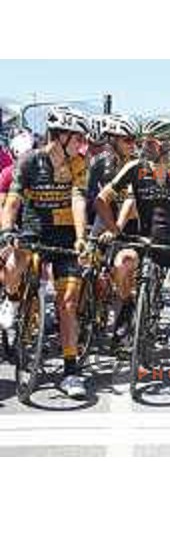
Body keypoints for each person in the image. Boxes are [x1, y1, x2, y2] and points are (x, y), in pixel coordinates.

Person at [0, 106, 90, 398]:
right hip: (33, 229)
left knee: (67, 303)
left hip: (65, 237)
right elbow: (11, 204)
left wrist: (80, 237)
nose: (82, 143)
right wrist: (6, 230)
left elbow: (78, 201)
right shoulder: (28, 162)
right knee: (13, 264)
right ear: (61, 136)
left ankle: (70, 370)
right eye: (77, 137)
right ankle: (12, 302)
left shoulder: (79, 163)